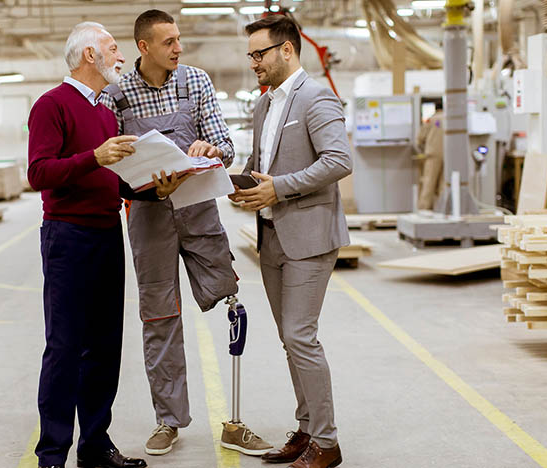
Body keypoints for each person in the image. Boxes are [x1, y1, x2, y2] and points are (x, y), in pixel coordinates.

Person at [100, 9, 271, 458]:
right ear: (144, 47)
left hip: (197, 209)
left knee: (231, 302)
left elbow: (226, 145)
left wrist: (210, 147)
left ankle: (234, 420)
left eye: (179, 39)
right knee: (159, 317)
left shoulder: (195, 81)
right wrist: (141, 182)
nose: (179, 48)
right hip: (147, 215)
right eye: (169, 42)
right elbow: (112, 165)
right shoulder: (117, 95)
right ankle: (168, 420)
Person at [27, 21, 187, 468]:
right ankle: (53, 453)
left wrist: (157, 188)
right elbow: (39, 173)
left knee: (104, 346)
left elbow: (112, 181)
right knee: (64, 346)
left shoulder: (103, 111)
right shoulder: (51, 105)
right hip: (68, 237)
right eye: (114, 50)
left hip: (105, 233)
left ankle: (94, 445)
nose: (121, 57)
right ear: (89, 56)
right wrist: (94, 157)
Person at [229, 15, 352, 468]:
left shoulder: (317, 97)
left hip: (309, 235)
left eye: (259, 54)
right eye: (250, 55)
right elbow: (261, 160)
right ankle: (306, 429)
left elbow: (339, 160)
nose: (253, 63)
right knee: (290, 338)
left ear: (286, 50)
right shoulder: (264, 105)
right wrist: (242, 183)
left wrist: (278, 188)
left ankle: (327, 442)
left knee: (301, 336)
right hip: (271, 236)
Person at [416, 100, 445, 210]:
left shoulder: (432, 119)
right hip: (448, 154)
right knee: (444, 184)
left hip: (433, 154)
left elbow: (420, 138)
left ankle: (424, 209)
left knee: (429, 182)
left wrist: (420, 146)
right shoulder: (450, 119)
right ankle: (443, 209)